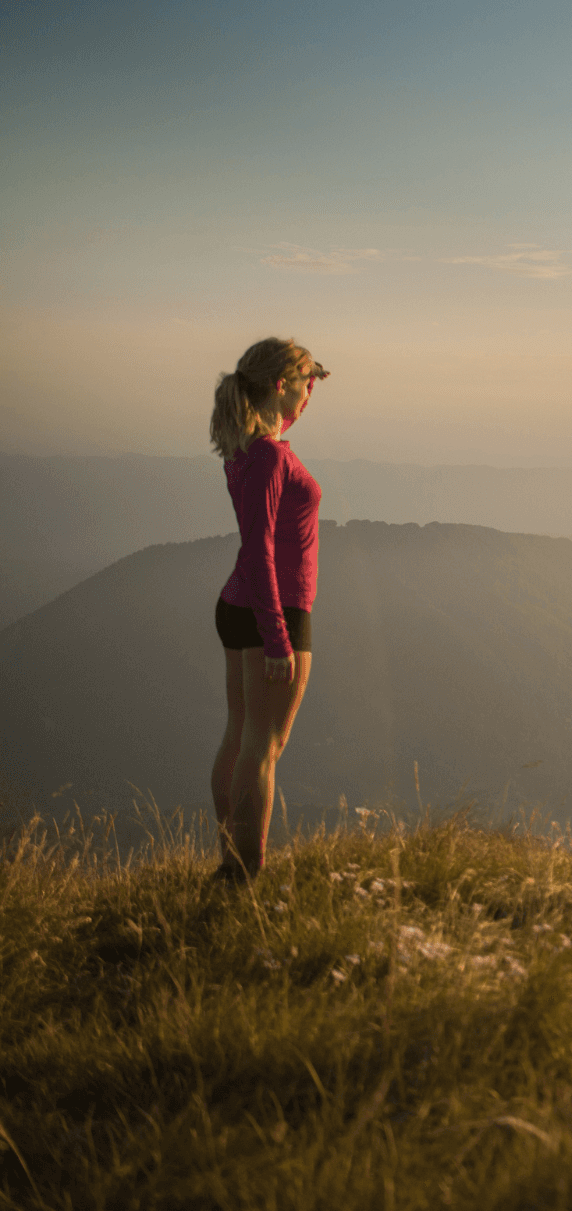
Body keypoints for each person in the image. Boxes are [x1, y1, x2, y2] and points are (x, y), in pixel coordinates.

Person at [207, 337, 328, 881]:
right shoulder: (270, 455)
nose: (309, 397)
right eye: (306, 385)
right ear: (281, 385)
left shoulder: (247, 449)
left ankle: (230, 860)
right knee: (264, 746)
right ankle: (242, 873)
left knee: (241, 734)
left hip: (243, 603)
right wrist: (277, 637)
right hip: (273, 606)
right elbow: (259, 548)